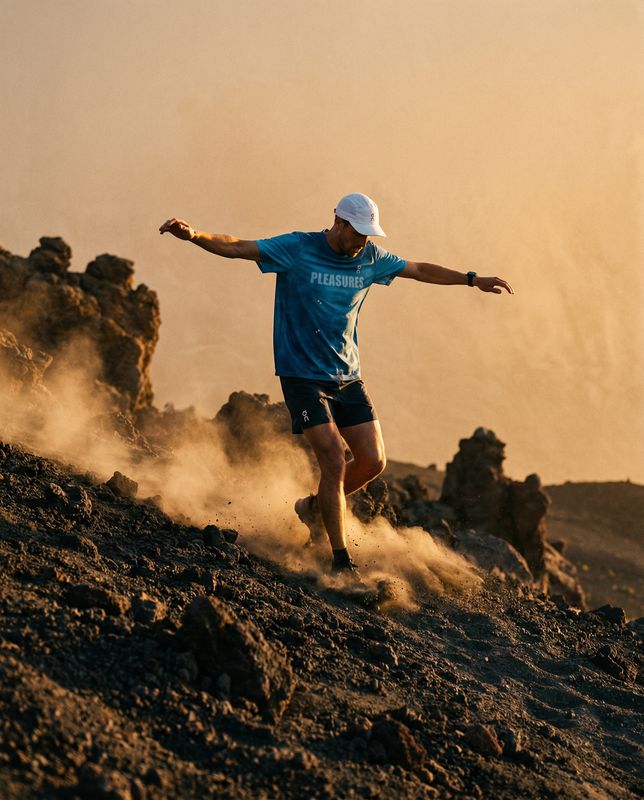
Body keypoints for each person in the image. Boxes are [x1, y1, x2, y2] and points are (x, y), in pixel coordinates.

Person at [159, 193, 513, 579]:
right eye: (357, 232)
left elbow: (419, 269)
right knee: (332, 458)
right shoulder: (298, 248)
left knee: (373, 462)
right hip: (302, 376)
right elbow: (240, 246)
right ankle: (340, 559)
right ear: (338, 223)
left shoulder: (371, 258)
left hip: (348, 377)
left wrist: (472, 280)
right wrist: (195, 235)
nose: (363, 240)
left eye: (368, 233)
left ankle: (314, 509)